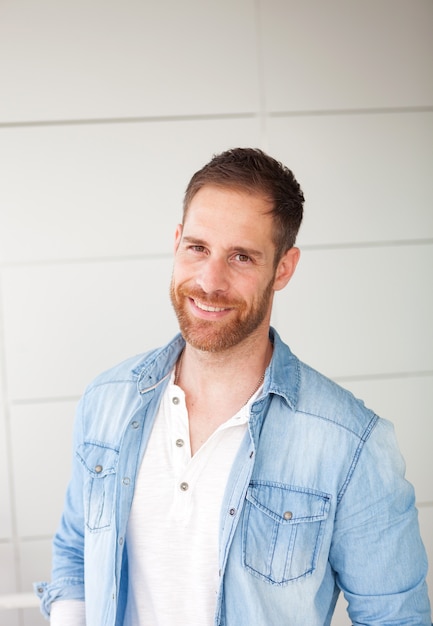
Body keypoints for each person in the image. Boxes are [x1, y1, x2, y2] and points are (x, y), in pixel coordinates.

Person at [35, 148, 431, 625]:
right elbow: (76, 555)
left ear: (283, 268)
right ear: (177, 241)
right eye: (197, 248)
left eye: (241, 256)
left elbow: (396, 618)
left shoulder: (350, 444)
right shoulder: (106, 401)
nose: (209, 280)